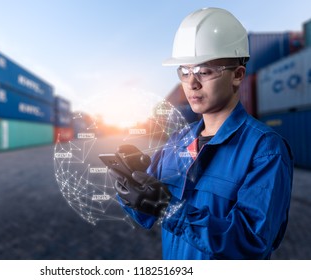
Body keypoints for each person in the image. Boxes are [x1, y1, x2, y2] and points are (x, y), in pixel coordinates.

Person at [110, 7, 294, 259]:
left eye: (204, 71)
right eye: (184, 71)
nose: (191, 83)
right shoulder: (177, 142)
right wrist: (129, 184)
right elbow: (144, 214)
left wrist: (168, 207)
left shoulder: (265, 150)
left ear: (238, 76)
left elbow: (252, 243)